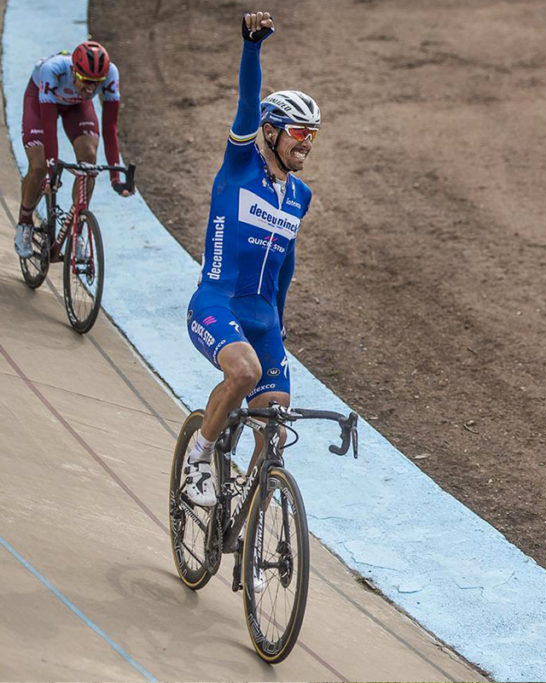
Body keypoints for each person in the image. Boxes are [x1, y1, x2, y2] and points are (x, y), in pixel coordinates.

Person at [183, 11, 320, 507]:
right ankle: (200, 455)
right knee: (241, 373)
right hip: (217, 302)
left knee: (275, 428)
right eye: (299, 133)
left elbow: (286, 264)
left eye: (313, 136)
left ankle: (249, 518)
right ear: (271, 132)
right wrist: (251, 48)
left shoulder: (299, 196)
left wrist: (278, 323)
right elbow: (246, 103)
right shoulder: (239, 165)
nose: (307, 143)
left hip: (263, 320)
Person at [14, 40, 131, 258]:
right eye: (86, 81)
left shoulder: (111, 73)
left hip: (76, 107)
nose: (91, 89)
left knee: (89, 160)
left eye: (97, 83)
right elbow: (49, 127)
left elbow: (110, 127)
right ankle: (25, 221)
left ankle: (77, 231)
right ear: (74, 71)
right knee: (39, 166)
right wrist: (50, 172)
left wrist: (116, 176)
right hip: (40, 105)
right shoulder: (53, 70)